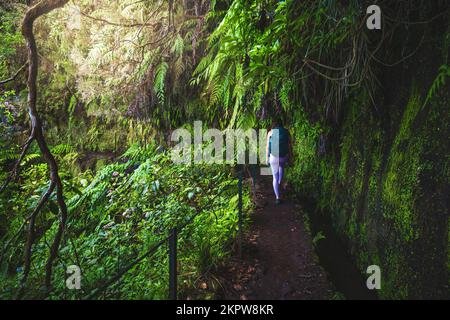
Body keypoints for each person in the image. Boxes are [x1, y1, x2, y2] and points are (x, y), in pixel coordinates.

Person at [266, 117, 292, 205]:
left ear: (273, 125)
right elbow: (289, 146)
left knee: (275, 177)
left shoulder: (270, 132)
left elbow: (267, 147)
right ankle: (280, 182)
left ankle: (277, 198)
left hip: (273, 157)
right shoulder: (286, 131)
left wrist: (267, 158)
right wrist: (290, 157)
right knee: (281, 166)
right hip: (283, 157)